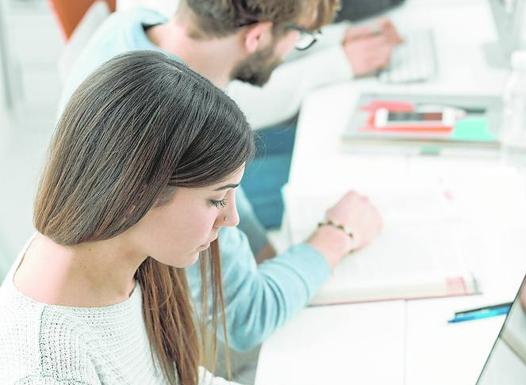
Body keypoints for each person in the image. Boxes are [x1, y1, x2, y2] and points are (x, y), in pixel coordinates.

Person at [0, 51, 379, 385]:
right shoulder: (48, 371)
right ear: (136, 195)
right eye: (216, 200)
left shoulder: (120, 250)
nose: (230, 219)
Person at [58, 0, 383, 354]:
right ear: (256, 36)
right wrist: (337, 235)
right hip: (163, 332)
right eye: (300, 37)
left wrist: (264, 254)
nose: (294, 46)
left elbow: (228, 195)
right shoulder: (174, 125)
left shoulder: (134, 26)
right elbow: (245, 318)